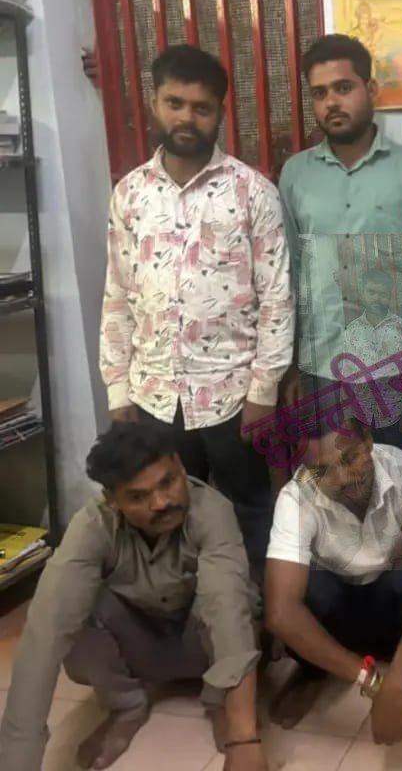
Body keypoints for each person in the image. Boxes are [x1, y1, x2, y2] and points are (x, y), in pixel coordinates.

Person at [98, 45, 293, 568]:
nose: (187, 117)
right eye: (175, 103)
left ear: (219, 112)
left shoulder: (252, 192)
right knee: (166, 516)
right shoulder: (130, 194)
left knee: (250, 511)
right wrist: (118, 390)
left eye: (201, 107)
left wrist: (264, 392)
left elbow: (277, 297)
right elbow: (117, 295)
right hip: (154, 395)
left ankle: (256, 607)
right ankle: (185, 610)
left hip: (234, 395)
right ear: (154, 103)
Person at [0, 423, 266, 771]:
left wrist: (244, 738)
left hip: (202, 646)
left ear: (180, 465)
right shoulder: (92, 526)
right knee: (65, 606)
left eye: (168, 482)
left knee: (236, 595)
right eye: (138, 497)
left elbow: (227, 610)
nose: (161, 502)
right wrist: (17, 760)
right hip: (141, 647)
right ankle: (125, 705)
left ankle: (220, 703)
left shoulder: (211, 511)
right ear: (112, 500)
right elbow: (46, 630)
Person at [279, 34, 402, 428]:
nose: (331, 103)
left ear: (371, 90)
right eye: (320, 93)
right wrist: (290, 365)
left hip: (394, 365)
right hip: (319, 366)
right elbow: (289, 273)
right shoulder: (296, 175)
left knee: (394, 466)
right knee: (327, 467)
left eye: (343, 88)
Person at [263, 416, 402, 745]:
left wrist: (397, 684)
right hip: (339, 602)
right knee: (307, 591)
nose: (341, 479)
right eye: (322, 470)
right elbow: (281, 613)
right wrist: (375, 683)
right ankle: (314, 672)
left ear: (368, 442)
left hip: (389, 594)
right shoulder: (295, 497)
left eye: (350, 458)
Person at [335, 268, 402, 449]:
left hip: (394, 417)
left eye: (382, 294)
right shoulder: (351, 331)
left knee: (396, 463)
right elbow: (346, 375)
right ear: (363, 293)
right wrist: (348, 415)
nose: (376, 298)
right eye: (371, 292)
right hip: (361, 416)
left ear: (390, 296)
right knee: (367, 464)